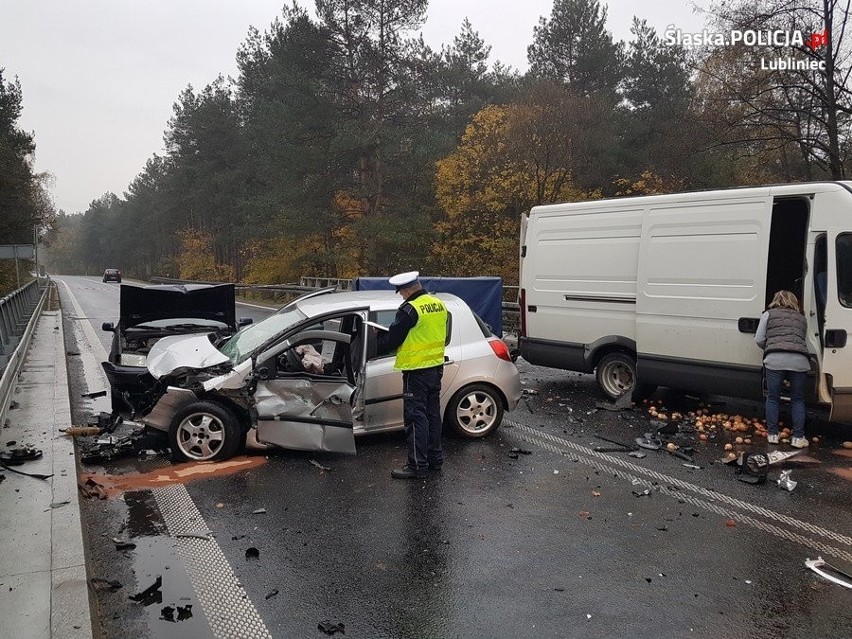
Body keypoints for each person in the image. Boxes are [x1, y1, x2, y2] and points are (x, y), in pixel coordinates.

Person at [377, 271, 448, 479]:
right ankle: (436, 460)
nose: (401, 296)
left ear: (408, 289)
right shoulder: (438, 304)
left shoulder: (410, 309)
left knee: (416, 418)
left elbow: (392, 340)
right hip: (435, 368)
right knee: (433, 415)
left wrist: (377, 341)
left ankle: (417, 465)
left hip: (416, 372)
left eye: (400, 292)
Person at [754, 290, 811, 448]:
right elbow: (802, 339)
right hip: (799, 360)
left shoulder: (768, 314)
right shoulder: (802, 318)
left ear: (775, 300)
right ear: (794, 302)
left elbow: (759, 339)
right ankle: (798, 438)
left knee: (773, 397)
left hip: (775, 359)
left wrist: (771, 347)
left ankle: (772, 434)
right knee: (797, 399)